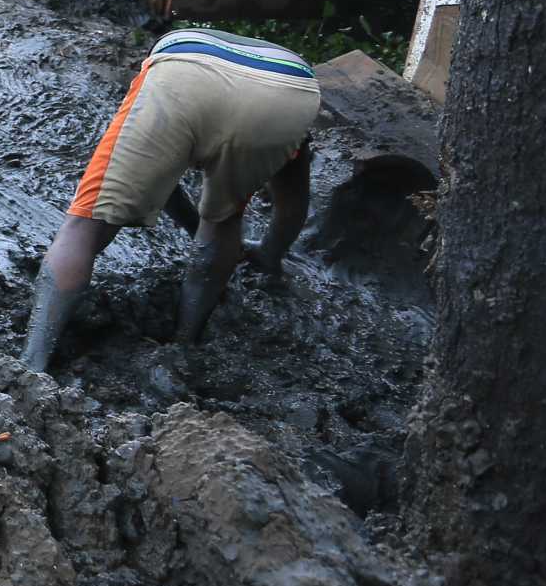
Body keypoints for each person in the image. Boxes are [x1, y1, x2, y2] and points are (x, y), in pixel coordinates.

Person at [22, 28, 321, 373]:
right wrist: (268, 255)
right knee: (224, 221)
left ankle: (31, 366)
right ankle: (184, 343)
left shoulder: (155, 72)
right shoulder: (295, 119)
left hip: (182, 71)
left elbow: (159, 178)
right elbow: (293, 205)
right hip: (285, 94)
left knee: (85, 226)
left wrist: (190, 223)